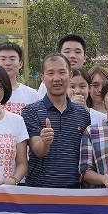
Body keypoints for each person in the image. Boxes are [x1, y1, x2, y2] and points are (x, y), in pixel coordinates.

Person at [21, 53, 91, 188]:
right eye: (50, 73)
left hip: (74, 189)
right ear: (42, 77)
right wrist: (45, 142)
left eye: (62, 72)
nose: (56, 78)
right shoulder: (30, 111)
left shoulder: (83, 114)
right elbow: (38, 151)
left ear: (70, 76)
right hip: (39, 190)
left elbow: (85, 156)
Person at [0, 41, 41, 115]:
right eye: (3, 59)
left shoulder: (32, 95)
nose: (7, 63)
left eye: (12, 59)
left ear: (20, 64)